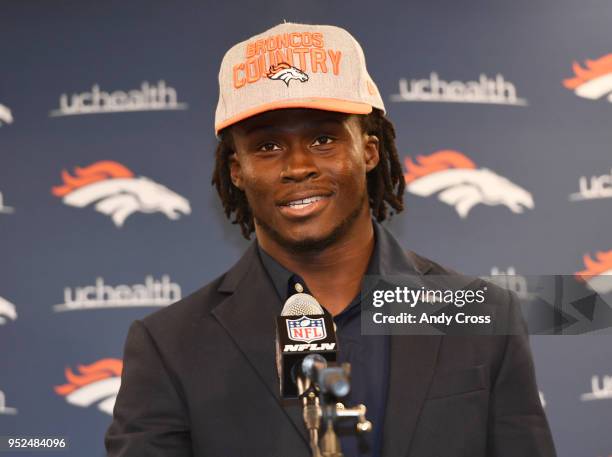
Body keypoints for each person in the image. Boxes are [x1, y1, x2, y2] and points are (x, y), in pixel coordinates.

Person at [105, 22, 556, 457]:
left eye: (323, 139)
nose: (298, 165)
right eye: (267, 146)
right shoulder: (169, 345)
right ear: (236, 171)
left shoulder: (483, 313)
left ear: (370, 152)